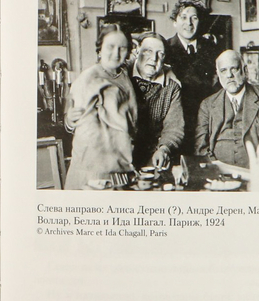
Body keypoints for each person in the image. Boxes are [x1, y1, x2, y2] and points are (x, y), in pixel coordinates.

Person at [63, 24, 137, 189]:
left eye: (122, 48)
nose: (116, 53)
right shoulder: (90, 77)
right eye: (111, 46)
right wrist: (69, 120)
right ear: (100, 48)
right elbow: (87, 130)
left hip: (120, 163)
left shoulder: (123, 76)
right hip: (96, 168)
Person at [194, 49, 259, 169]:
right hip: (217, 171)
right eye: (223, 71)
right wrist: (214, 168)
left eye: (234, 69)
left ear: (244, 70)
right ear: (218, 75)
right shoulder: (207, 105)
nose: (229, 75)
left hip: (255, 169)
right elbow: (200, 146)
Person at [163, 0, 219, 150]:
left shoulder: (211, 48)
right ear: (175, 22)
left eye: (194, 18)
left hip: (207, 121)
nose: (189, 23)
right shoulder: (166, 49)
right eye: (183, 17)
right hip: (177, 122)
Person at [129, 32, 185, 170]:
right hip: (121, 153)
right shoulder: (123, 76)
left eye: (160, 53)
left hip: (154, 155)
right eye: (148, 51)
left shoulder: (172, 88)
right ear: (137, 51)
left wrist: (164, 149)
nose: (154, 58)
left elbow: (174, 127)